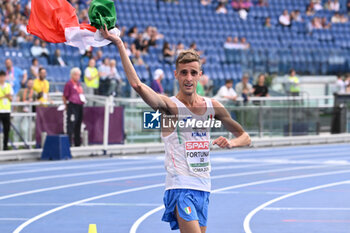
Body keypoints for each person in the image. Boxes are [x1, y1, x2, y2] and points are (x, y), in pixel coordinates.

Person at [101, 26, 251, 233]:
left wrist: (232, 142)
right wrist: (119, 44)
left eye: (192, 73)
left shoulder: (212, 106)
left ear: (200, 75)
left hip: (203, 187)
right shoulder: (169, 107)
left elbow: (245, 137)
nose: (188, 78)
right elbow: (137, 85)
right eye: (183, 73)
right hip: (180, 186)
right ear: (176, 75)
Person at [63, 67, 85, 147]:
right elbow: (65, 96)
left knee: (78, 124)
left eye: (79, 75)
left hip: (80, 105)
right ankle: (68, 143)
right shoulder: (69, 84)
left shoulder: (79, 84)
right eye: (76, 75)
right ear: (72, 75)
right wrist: (66, 106)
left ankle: (77, 143)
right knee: (71, 124)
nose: (78, 76)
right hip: (72, 106)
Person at [0, 70, 13, 150]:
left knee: (7, 129)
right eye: (1, 77)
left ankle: (5, 146)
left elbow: (11, 99)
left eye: (3, 77)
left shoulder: (8, 86)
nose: (2, 78)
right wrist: (5, 96)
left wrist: (8, 97)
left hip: (6, 111)